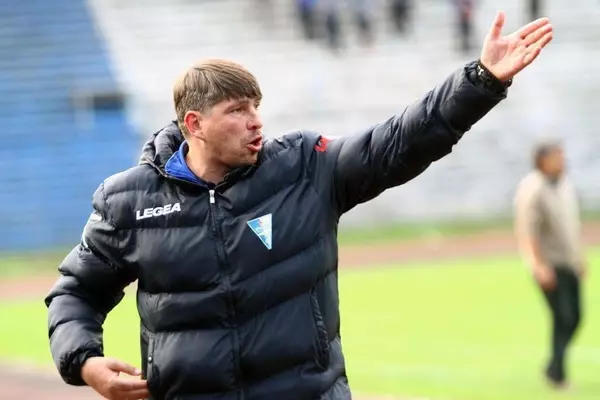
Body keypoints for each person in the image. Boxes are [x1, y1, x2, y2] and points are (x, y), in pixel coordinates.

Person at [45, 11, 553, 400]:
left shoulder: (304, 167)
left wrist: (480, 80)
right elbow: (75, 293)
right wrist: (84, 361)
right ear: (194, 124)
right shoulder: (129, 200)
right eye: (237, 110)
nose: (256, 121)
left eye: (256, 107)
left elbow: (399, 141)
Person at [514, 140, 586, 389]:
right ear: (543, 160)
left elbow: (570, 226)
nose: (562, 161)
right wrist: (538, 265)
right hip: (550, 264)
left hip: (569, 262)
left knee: (575, 317)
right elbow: (528, 232)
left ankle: (553, 368)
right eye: (557, 157)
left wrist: (578, 257)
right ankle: (557, 374)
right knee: (562, 317)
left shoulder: (564, 184)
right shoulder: (532, 189)